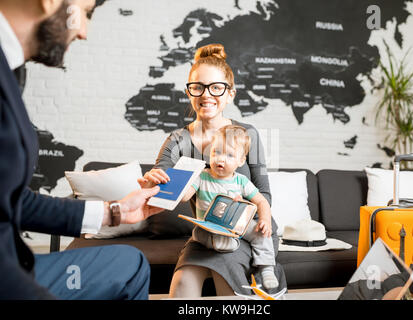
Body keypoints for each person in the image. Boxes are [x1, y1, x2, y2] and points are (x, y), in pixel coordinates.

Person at [0, 0, 165, 299]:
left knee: (130, 263)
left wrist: (115, 212)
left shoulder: (11, 71)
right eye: (86, 12)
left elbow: (12, 200)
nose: (84, 32)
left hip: (14, 260)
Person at [139, 43, 287, 297]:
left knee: (225, 278)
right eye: (198, 87)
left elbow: (264, 194)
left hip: (248, 230)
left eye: (216, 87)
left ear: (230, 94)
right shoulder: (177, 140)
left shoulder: (246, 134)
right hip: (207, 233)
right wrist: (153, 183)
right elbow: (163, 183)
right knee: (182, 285)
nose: (206, 95)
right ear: (189, 92)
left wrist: (244, 211)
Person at [150, 125, 279, 290]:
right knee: (203, 233)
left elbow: (261, 201)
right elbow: (184, 197)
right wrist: (184, 177)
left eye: (229, 155)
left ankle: (267, 269)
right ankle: (220, 242)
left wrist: (265, 220)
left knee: (261, 233)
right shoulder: (202, 176)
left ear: (241, 160)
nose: (220, 159)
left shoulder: (241, 181)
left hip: (234, 225)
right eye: (216, 152)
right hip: (208, 226)